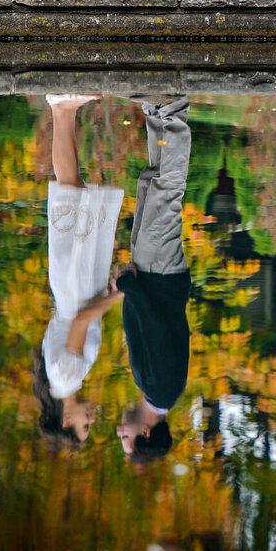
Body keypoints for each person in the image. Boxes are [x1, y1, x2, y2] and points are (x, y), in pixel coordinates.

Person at [31, 94, 124, 449]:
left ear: (66, 420)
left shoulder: (67, 377)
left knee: (71, 192)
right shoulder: (60, 379)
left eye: (84, 427)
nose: (91, 420)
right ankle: (64, 110)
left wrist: (118, 295)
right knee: (73, 192)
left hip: (77, 289)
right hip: (73, 287)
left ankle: (61, 108)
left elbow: (82, 320)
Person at [114, 96, 192, 461]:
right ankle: (173, 109)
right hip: (159, 276)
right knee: (165, 193)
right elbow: (158, 328)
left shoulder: (155, 390)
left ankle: (155, 112)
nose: (119, 431)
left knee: (149, 186)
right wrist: (130, 289)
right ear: (146, 432)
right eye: (125, 439)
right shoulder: (161, 388)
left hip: (153, 275)